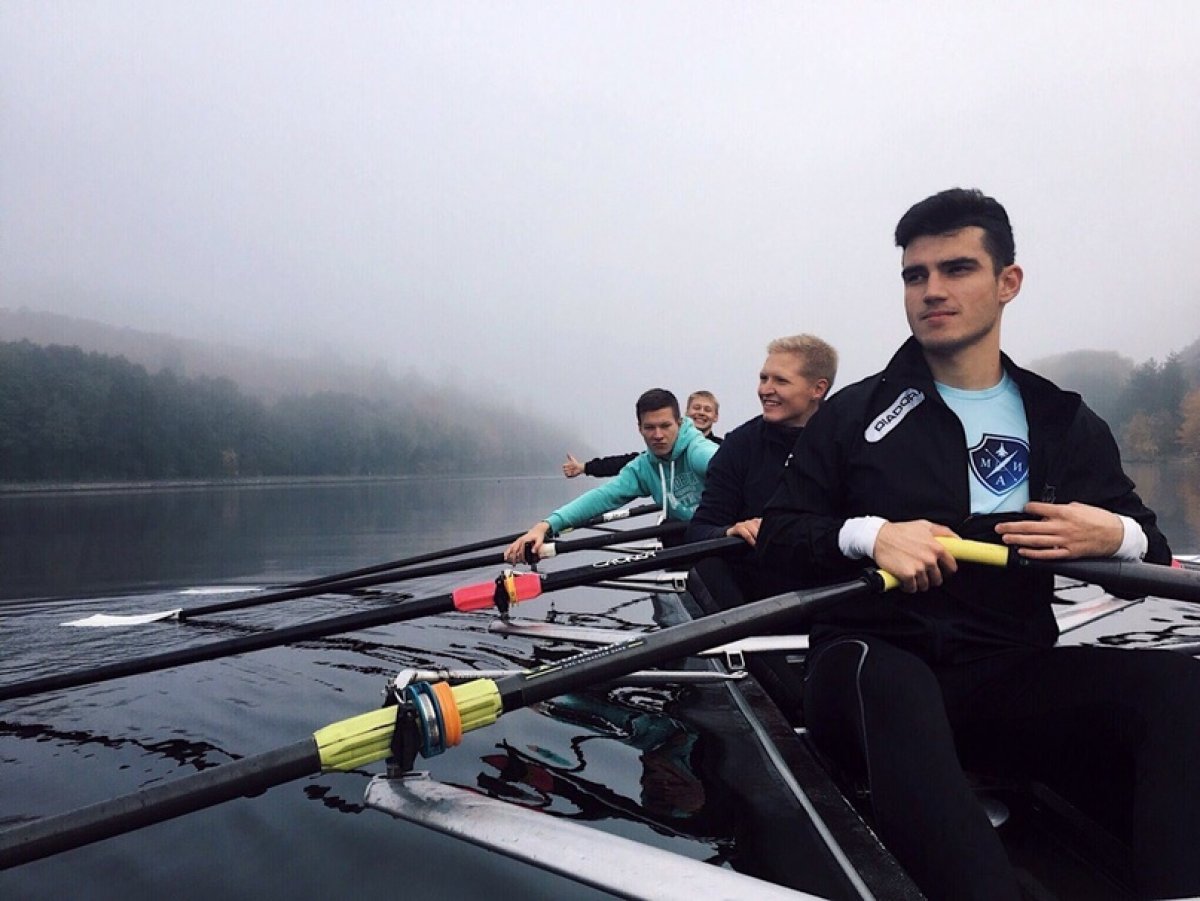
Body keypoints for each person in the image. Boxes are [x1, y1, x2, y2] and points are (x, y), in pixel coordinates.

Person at [757, 188, 1200, 901]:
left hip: (1004, 673)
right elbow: (777, 536)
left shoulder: (1062, 419)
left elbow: (1149, 553)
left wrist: (1113, 533)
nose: (931, 289)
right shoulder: (855, 413)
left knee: (1182, 689)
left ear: (1008, 282)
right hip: (868, 667)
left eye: (956, 268)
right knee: (895, 685)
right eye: (915, 275)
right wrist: (871, 534)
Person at [508, 388, 718, 563]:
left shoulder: (697, 450)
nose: (658, 435)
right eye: (650, 428)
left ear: (679, 424)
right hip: (691, 542)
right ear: (639, 429)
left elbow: (733, 471)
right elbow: (603, 496)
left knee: (674, 533)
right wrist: (545, 526)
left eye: (665, 426)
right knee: (670, 532)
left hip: (722, 535)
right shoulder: (643, 468)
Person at [561, 390, 722, 478]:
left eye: (707, 410)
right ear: (685, 414)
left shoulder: (724, 448)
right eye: (696, 408)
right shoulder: (664, 451)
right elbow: (625, 463)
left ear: (715, 417)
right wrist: (584, 467)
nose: (701, 413)